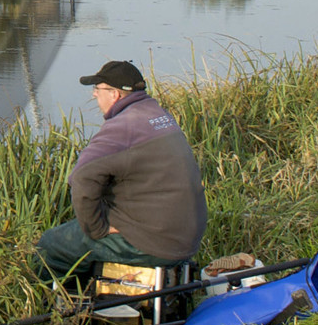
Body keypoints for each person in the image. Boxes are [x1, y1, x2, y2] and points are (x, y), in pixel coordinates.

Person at [33, 59, 208, 288]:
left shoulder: (122, 128)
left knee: (51, 245)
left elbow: (81, 178)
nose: (95, 95)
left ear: (114, 94)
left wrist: (97, 228)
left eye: (98, 89)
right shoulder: (160, 116)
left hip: (155, 243)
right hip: (187, 238)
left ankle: (60, 311)